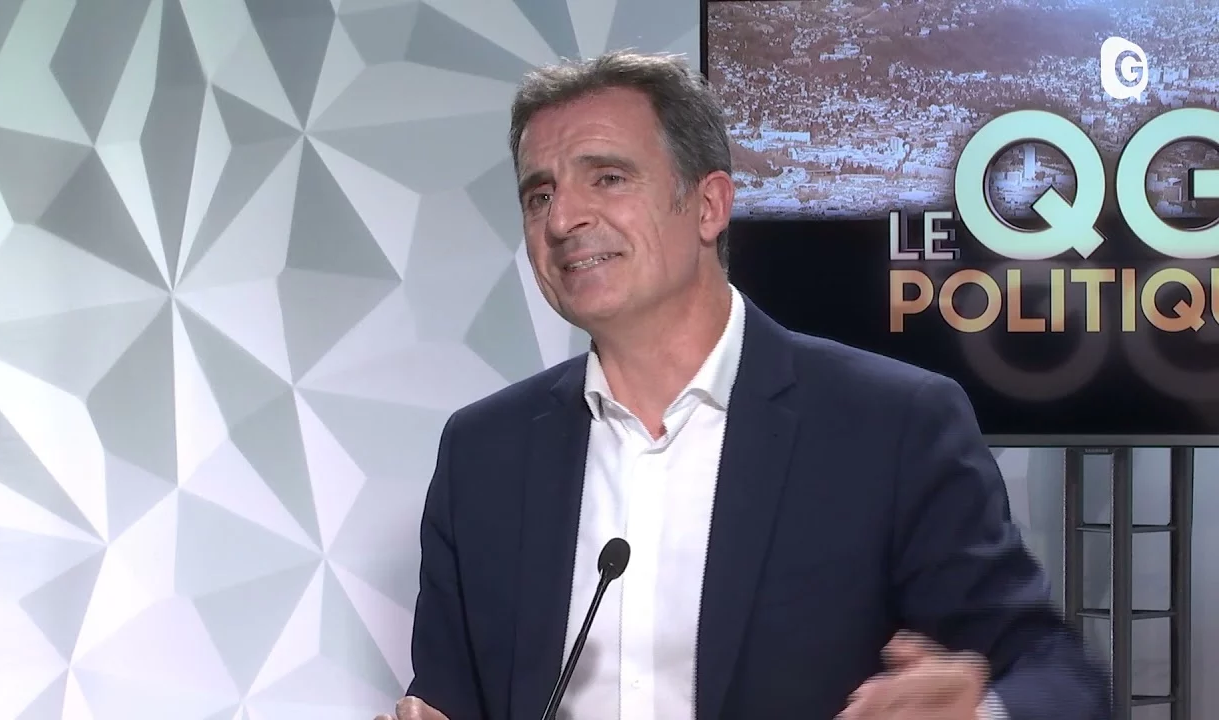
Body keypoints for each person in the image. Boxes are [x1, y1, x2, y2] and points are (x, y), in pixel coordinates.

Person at [376, 51, 1110, 720]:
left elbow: (1059, 680)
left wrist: (981, 715)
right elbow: (443, 699)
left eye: (608, 178)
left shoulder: (891, 425)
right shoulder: (483, 453)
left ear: (708, 206)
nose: (564, 218)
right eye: (539, 195)